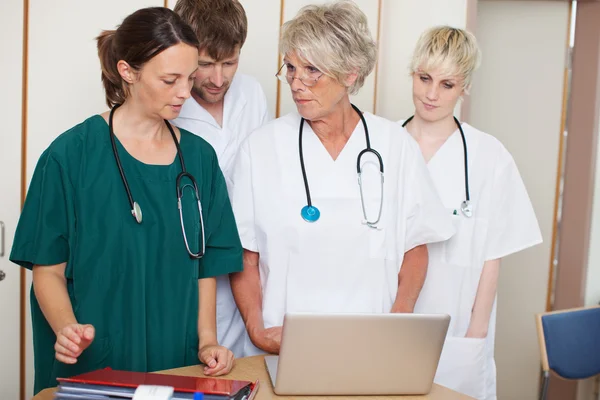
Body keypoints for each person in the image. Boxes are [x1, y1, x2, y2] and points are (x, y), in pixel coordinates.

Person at [10, 7, 242, 394]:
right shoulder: (71, 156)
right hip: (96, 359)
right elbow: (47, 271)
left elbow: (205, 269)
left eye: (189, 77)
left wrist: (207, 341)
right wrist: (67, 328)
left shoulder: (199, 160)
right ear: (127, 71)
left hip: (177, 362)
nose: (185, 92)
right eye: (170, 80)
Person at [229, 0, 455, 355]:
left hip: (374, 348)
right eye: (290, 68)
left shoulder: (395, 147)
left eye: (312, 70)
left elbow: (415, 247)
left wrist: (399, 321)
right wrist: (258, 331)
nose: (297, 83)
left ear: (351, 73)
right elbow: (246, 255)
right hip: (283, 349)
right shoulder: (260, 149)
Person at [400, 26, 542, 400]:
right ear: (412, 72)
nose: (431, 94)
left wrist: (475, 339)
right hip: (389, 323)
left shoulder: (489, 157)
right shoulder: (383, 146)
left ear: (465, 87)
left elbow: (492, 257)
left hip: (458, 332)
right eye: (424, 78)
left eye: (447, 84)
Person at [172, 0, 270, 358]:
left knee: (242, 369)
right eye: (205, 64)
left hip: (245, 262)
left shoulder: (252, 93)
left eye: (229, 62)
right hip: (191, 261)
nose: (218, 79)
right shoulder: (171, 104)